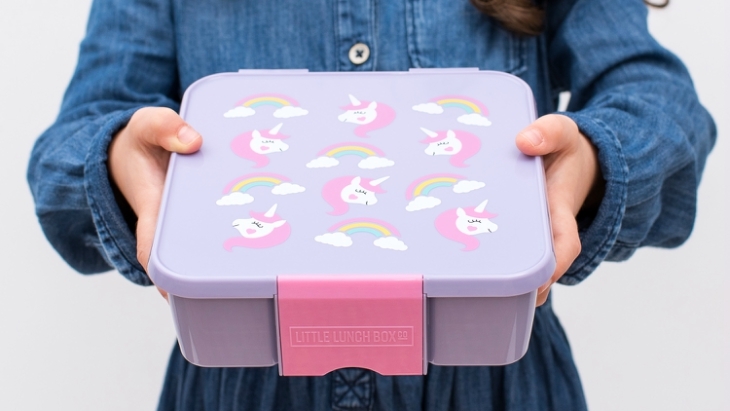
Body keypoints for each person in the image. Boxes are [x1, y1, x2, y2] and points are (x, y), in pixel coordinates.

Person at [26, 0, 715, 410]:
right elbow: (71, 140)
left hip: (496, 381)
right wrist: (120, 160)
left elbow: (661, 100)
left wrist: (591, 158)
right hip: (238, 384)